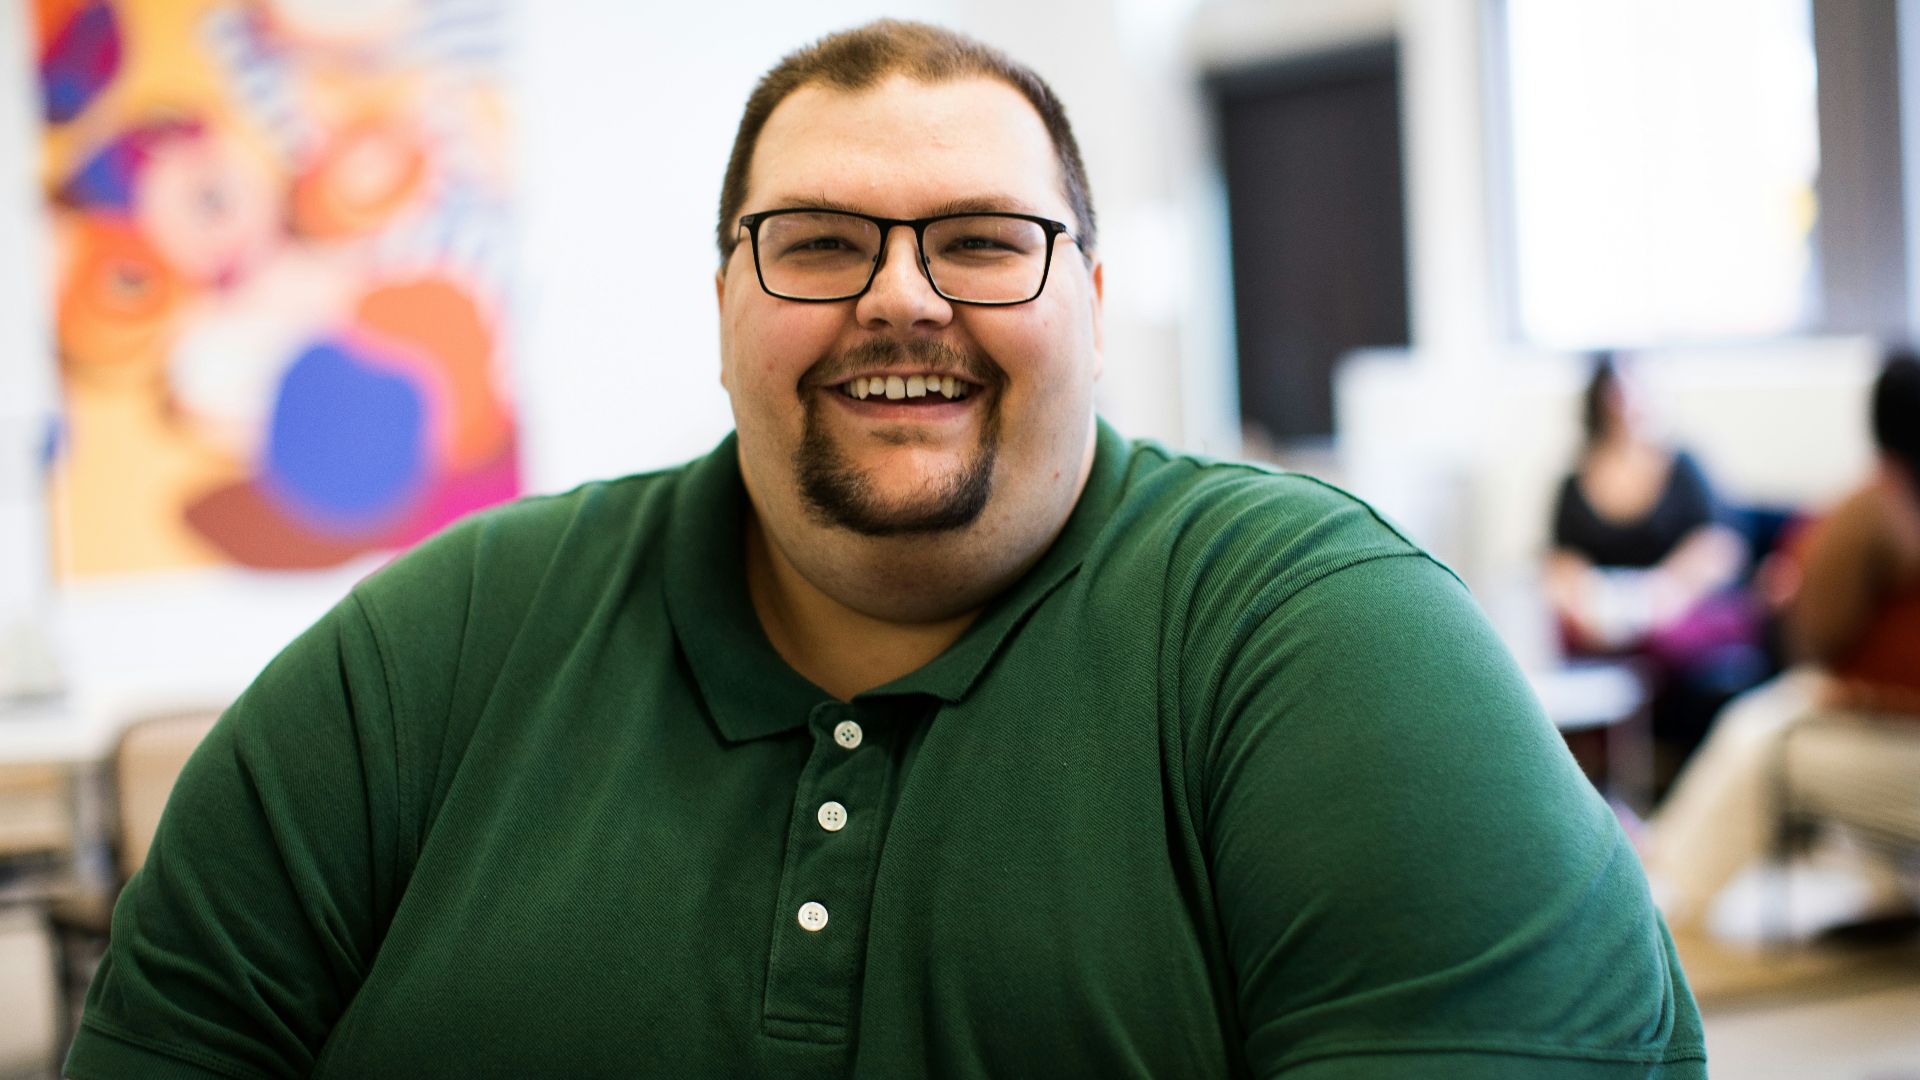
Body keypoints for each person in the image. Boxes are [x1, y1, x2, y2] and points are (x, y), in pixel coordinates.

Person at [64, 21, 1706, 1079]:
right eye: (820, 244)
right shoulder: (430, 650)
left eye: (986, 242)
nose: (901, 295)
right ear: (723, 307)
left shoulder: (1325, 648)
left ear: (1094, 306)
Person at [1640, 351, 1920, 934]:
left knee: (1763, 742)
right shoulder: (1881, 509)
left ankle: (1656, 904)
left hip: (1893, 729)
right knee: (1765, 716)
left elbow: (1814, 630)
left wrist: (1868, 695)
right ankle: (1657, 870)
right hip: (1876, 715)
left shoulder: (1878, 509)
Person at [1546, 353, 1760, 772]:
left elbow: (1719, 547)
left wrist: (1665, 592)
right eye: (1616, 394)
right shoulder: (1573, 482)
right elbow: (1560, 563)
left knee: (1666, 645)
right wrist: (1588, 603)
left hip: (1677, 609)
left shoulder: (1684, 468)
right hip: (1604, 619)